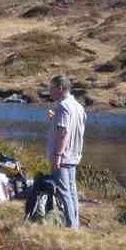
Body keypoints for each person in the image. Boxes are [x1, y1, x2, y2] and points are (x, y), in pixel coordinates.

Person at [47, 74, 86, 230]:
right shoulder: (78, 106)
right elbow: (73, 128)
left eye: (52, 88)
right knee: (72, 190)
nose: (50, 91)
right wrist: (54, 119)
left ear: (60, 88)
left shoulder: (63, 106)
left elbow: (64, 132)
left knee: (64, 192)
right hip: (74, 154)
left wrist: (57, 155)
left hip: (63, 156)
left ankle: (71, 227)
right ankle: (75, 223)